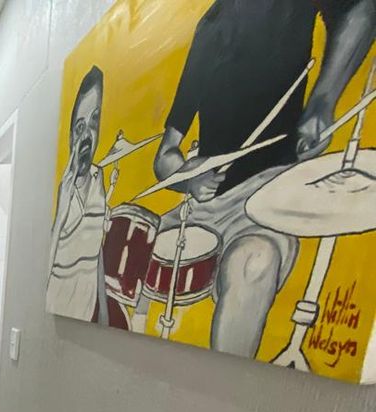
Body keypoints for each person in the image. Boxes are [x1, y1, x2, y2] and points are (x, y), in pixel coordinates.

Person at [150, 0, 375, 357]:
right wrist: (189, 179)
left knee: (255, 261)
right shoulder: (211, 27)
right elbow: (166, 156)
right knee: (132, 248)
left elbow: (363, 11)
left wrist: (322, 101)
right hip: (202, 209)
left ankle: (227, 384)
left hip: (268, 198)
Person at [46, 66, 110, 325]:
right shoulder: (63, 189)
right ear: (71, 136)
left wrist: (104, 312)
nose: (87, 135)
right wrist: (62, 207)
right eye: (80, 126)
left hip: (86, 311)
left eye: (94, 120)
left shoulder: (99, 179)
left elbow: (96, 246)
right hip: (58, 304)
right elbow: (45, 267)